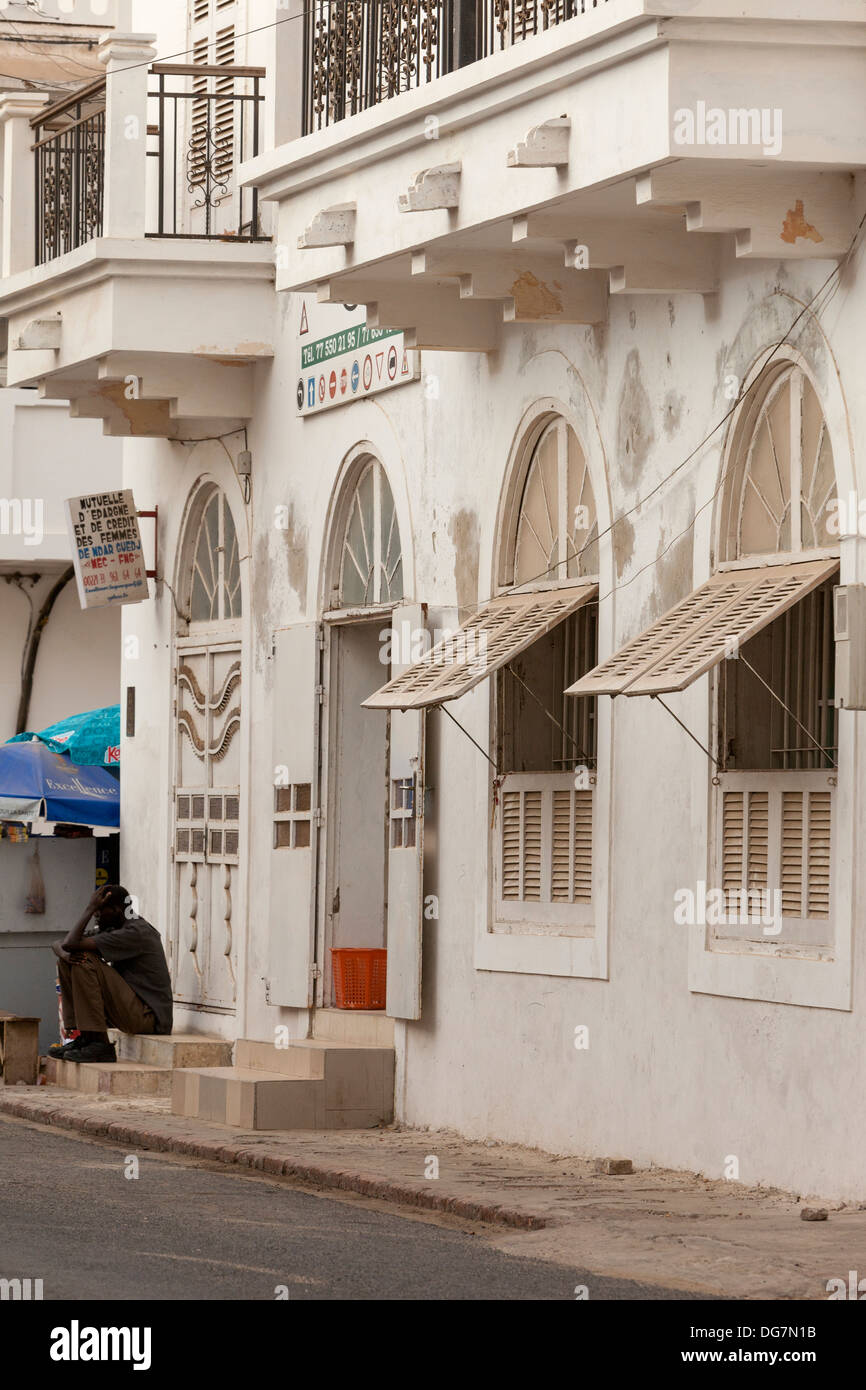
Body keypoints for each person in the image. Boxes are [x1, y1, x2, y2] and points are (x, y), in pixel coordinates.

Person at [47, 884, 173, 1064]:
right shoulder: (114, 927)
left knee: (84, 959)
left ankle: (99, 1044)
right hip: (132, 1011)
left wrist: (89, 909)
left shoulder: (135, 932)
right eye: (94, 911)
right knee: (67, 960)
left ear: (116, 910)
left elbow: (70, 943)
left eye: (99, 911)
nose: (96, 916)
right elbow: (60, 944)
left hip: (149, 1019)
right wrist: (65, 954)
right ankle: (86, 1038)